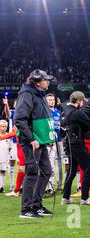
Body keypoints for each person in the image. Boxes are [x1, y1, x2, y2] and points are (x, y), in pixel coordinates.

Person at [14, 69, 56, 218]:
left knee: (47, 171)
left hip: (40, 140)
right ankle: (26, 210)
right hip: (31, 141)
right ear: (38, 82)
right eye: (45, 79)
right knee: (32, 172)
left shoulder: (38, 94)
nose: (48, 82)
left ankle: (37, 205)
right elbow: (19, 119)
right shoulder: (27, 94)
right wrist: (31, 138)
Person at [61, 91, 90, 206]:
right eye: (82, 101)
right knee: (88, 169)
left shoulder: (66, 110)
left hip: (68, 144)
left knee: (71, 172)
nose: (83, 103)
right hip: (77, 144)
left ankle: (66, 197)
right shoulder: (77, 113)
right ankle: (85, 198)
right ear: (78, 101)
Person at [45, 93, 64, 194]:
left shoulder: (58, 112)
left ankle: (59, 185)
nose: (52, 101)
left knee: (59, 163)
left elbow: (60, 126)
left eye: (53, 100)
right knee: (50, 163)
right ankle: (49, 186)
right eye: (50, 100)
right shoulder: (45, 112)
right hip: (49, 141)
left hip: (59, 141)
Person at [1, 125, 25, 197]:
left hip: (24, 147)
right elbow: (14, 132)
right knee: (21, 169)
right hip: (20, 147)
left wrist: (1, 137)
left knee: (22, 169)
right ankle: (18, 190)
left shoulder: (21, 120)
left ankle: (17, 190)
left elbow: (13, 133)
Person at [0, 120, 13, 193]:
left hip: (5, 156)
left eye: (5, 126)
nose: (4, 128)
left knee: (3, 171)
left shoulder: (8, 135)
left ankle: (1, 187)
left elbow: (10, 147)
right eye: (2, 126)